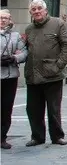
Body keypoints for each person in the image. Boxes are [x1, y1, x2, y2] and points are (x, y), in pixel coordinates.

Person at [24, 0, 67, 147]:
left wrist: (59, 65)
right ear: (31, 13)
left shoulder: (58, 24)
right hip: (33, 75)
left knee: (54, 108)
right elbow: (26, 49)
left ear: (45, 10)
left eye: (39, 8)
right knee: (33, 109)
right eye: (34, 9)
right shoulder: (29, 29)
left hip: (53, 75)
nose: (37, 11)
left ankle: (57, 136)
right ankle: (37, 137)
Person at [1, 9, 28, 149]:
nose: (3, 20)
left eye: (6, 18)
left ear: (10, 20)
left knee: (6, 108)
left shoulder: (15, 35)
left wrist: (14, 58)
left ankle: (2, 137)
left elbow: (24, 52)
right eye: (1, 18)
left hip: (10, 77)